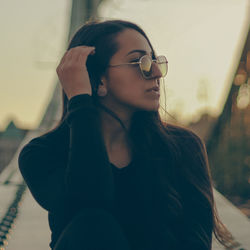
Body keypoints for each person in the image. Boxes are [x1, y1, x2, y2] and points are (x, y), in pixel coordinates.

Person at [18, 19, 233, 250]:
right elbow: (90, 204)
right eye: (139, 61)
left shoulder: (183, 148)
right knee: (93, 223)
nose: (157, 73)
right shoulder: (43, 154)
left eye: (154, 61)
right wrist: (80, 101)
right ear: (98, 80)